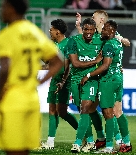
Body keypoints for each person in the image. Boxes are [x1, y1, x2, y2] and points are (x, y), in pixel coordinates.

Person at [0, 0, 63, 155]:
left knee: (12, 150)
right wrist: (40, 82)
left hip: (13, 97)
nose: (1, 11)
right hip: (31, 98)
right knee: (24, 150)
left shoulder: (6, 35)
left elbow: (5, 67)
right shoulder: (35, 32)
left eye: (4, 7)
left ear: (12, 9)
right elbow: (58, 61)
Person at [76, 10, 132, 152]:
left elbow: (126, 43)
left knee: (112, 111)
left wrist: (120, 41)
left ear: (101, 20)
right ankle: (103, 138)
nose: (92, 19)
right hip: (103, 77)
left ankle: (118, 141)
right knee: (94, 108)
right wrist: (78, 26)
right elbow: (85, 38)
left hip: (106, 77)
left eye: (94, 17)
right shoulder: (97, 34)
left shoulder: (110, 36)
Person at [41, 19, 78, 149]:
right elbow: (48, 63)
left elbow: (68, 65)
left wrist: (63, 81)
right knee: (52, 110)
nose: (49, 31)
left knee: (62, 112)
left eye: (51, 29)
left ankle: (82, 134)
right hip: (54, 80)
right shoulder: (53, 45)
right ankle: (50, 142)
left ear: (58, 31)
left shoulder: (68, 43)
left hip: (64, 81)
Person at [67, 18, 103, 153]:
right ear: (82, 29)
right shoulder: (74, 41)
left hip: (91, 79)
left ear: (95, 30)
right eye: (86, 29)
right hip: (75, 79)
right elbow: (75, 63)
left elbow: (115, 42)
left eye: (91, 30)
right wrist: (95, 61)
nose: (88, 32)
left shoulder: (100, 40)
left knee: (85, 107)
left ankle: (77, 143)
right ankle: (89, 140)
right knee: (82, 109)